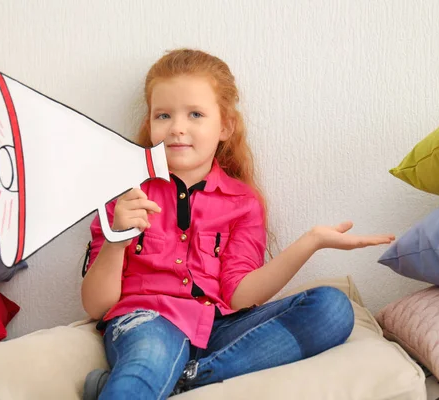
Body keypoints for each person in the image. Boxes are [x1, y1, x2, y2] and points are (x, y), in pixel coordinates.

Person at [80, 48, 395, 400]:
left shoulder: (242, 203)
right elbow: (97, 307)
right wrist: (117, 239)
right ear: (150, 124)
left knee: (333, 308)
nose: (177, 128)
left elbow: (240, 296)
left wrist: (312, 241)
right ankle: (155, 379)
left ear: (225, 126)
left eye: (195, 114)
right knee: (148, 361)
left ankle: (187, 378)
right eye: (163, 115)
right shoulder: (125, 196)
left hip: (218, 327)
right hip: (148, 321)